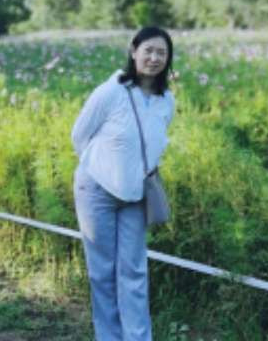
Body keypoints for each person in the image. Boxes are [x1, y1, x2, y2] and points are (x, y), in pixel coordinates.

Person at [71, 26, 175, 341]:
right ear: (133, 51)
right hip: (96, 191)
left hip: (136, 195)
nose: (154, 58)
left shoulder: (166, 100)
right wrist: (105, 169)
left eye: (161, 53)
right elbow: (79, 136)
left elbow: (153, 144)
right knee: (102, 272)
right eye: (148, 50)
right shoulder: (111, 91)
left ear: (168, 59)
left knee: (134, 272)